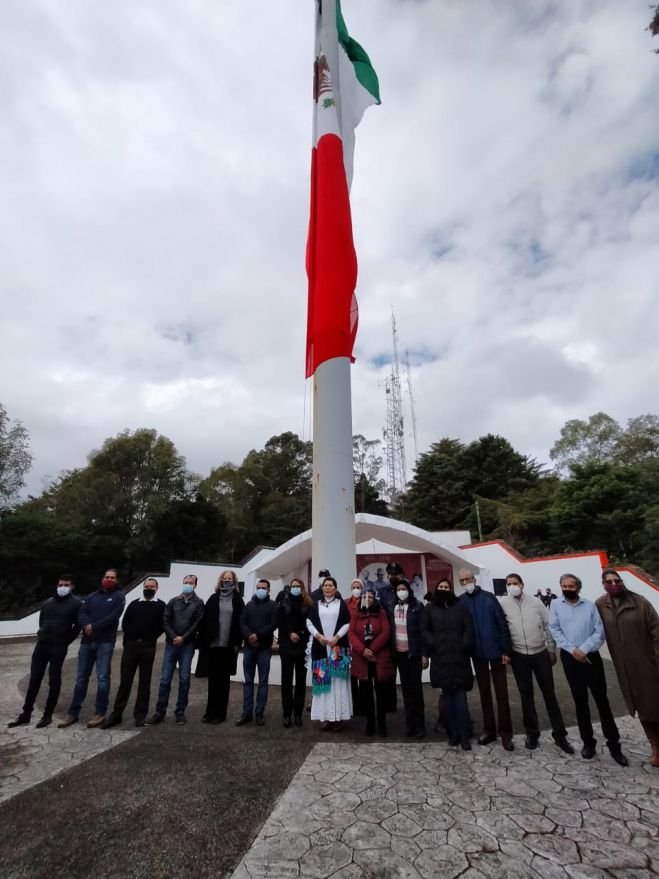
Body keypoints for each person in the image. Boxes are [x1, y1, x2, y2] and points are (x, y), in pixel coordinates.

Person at [548, 573, 628, 766]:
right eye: (564, 586)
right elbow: (554, 629)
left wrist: (583, 649)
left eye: (571, 586)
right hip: (570, 657)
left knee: (602, 701)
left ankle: (614, 746)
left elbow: (599, 632)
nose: (567, 589)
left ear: (578, 587)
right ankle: (588, 743)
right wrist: (572, 649)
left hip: (590, 658)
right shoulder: (556, 605)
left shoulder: (590, 606)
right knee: (580, 702)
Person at [499, 573, 574, 754]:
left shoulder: (536, 602)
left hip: (540, 653)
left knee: (549, 694)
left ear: (522, 585)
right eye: (509, 584)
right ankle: (532, 733)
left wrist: (551, 649)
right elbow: (502, 628)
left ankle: (560, 735)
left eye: (515, 583)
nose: (512, 586)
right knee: (526, 696)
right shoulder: (503, 604)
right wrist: (506, 652)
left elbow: (549, 625)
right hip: (518, 655)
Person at [596, 568, 659, 768]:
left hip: (646, 663)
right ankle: (655, 746)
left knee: (653, 705)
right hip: (624, 668)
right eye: (609, 581)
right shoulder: (600, 605)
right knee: (642, 708)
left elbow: (657, 632)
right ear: (604, 584)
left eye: (617, 580)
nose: (614, 584)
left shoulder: (640, 603)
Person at [8, 574, 82, 729]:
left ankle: (47, 714)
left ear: (72, 586)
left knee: (54, 680)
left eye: (66, 585)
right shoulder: (48, 603)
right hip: (42, 645)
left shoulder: (76, 604)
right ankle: (26, 713)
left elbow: (77, 626)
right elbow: (42, 621)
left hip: (58, 646)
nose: (63, 587)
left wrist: (65, 640)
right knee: (34, 679)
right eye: (61, 584)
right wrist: (42, 633)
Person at [59, 569, 126, 729]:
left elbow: (113, 617)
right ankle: (73, 713)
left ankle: (100, 713)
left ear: (116, 580)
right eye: (106, 577)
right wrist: (87, 626)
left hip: (105, 642)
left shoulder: (119, 597)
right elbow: (82, 613)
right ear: (102, 578)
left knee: (103, 678)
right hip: (87, 642)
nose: (109, 579)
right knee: (81, 678)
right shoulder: (92, 596)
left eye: (112, 578)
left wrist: (93, 627)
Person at [458, 569, 514, 751]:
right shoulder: (461, 601)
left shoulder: (489, 598)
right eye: (462, 580)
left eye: (468, 579)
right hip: (477, 654)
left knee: (502, 695)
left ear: (474, 579)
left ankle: (506, 734)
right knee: (484, 695)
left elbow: (502, 623)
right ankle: (489, 730)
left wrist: (506, 649)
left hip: (496, 652)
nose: (466, 582)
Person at [102, 577, 165, 729]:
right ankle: (116, 714)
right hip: (131, 647)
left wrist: (150, 638)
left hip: (148, 647)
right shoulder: (134, 604)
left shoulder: (161, 605)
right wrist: (129, 640)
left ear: (157, 588)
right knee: (125, 682)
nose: (149, 588)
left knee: (145, 683)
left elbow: (162, 625)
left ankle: (140, 716)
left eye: (152, 586)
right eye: (146, 586)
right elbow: (125, 623)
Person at [421, 578, 475, 750]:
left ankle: (465, 734)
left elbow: (468, 628)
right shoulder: (430, 609)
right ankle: (452, 733)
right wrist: (433, 644)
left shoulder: (459, 607)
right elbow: (424, 629)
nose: (443, 589)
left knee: (460, 697)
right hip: (440, 658)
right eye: (440, 586)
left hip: (459, 658)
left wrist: (464, 644)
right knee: (447, 698)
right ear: (436, 589)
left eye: (446, 587)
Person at [149, 574, 204, 725]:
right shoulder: (173, 601)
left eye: (190, 582)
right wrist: (174, 636)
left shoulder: (199, 603)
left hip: (187, 645)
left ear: (195, 585)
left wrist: (183, 638)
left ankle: (180, 711)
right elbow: (165, 620)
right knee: (165, 679)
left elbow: (197, 623)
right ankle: (159, 711)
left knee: (184, 679)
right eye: (185, 582)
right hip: (171, 644)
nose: (187, 584)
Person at [198, 570, 245, 725]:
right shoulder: (213, 598)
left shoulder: (238, 600)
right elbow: (205, 620)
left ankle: (220, 713)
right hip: (213, 646)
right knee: (212, 680)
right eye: (224, 579)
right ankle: (209, 712)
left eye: (229, 579)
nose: (227, 581)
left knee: (224, 682)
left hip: (228, 646)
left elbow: (241, 623)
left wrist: (238, 643)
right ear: (220, 581)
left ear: (234, 581)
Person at [306, 576, 352, 731]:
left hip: (337, 648)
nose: (328, 588)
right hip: (321, 648)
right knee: (323, 683)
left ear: (335, 588)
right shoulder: (316, 605)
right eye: (325, 585)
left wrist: (337, 637)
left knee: (337, 681)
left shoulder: (342, 604)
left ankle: (338, 718)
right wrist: (319, 636)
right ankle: (325, 716)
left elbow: (347, 623)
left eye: (331, 585)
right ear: (322, 588)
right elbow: (309, 622)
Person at [349, 588, 395, 737]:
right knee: (366, 692)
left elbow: (386, 632)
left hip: (378, 657)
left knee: (381, 692)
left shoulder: (381, 613)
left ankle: (382, 723)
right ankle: (370, 723)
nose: (367, 599)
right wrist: (362, 650)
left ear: (375, 599)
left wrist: (373, 649)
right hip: (362, 658)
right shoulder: (356, 613)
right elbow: (352, 633)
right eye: (364, 596)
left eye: (370, 597)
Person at [388, 577, 428, 738]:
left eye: (404, 589)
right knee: (405, 690)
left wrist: (425, 654)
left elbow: (423, 631)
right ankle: (410, 724)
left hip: (414, 654)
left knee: (416, 690)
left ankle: (420, 725)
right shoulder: (392, 606)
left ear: (409, 591)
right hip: (399, 654)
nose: (401, 592)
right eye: (398, 589)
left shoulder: (417, 607)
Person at [236, 578, 277, 726]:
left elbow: (273, 624)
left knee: (263, 682)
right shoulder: (249, 605)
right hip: (248, 647)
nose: (260, 589)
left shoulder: (273, 606)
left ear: (268, 590)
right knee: (248, 681)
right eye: (259, 587)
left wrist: (257, 635)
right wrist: (249, 635)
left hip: (264, 648)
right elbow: (242, 622)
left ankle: (259, 712)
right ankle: (246, 712)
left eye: (263, 587)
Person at [277, 577, 311, 728]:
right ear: (290, 588)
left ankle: (298, 713)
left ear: (302, 588)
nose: (296, 588)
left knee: (301, 683)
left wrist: (300, 634)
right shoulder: (283, 602)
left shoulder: (308, 604)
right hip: (286, 645)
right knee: (286, 682)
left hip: (302, 645)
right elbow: (280, 621)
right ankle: (286, 714)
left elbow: (310, 623)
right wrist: (290, 633)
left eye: (298, 586)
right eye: (293, 586)